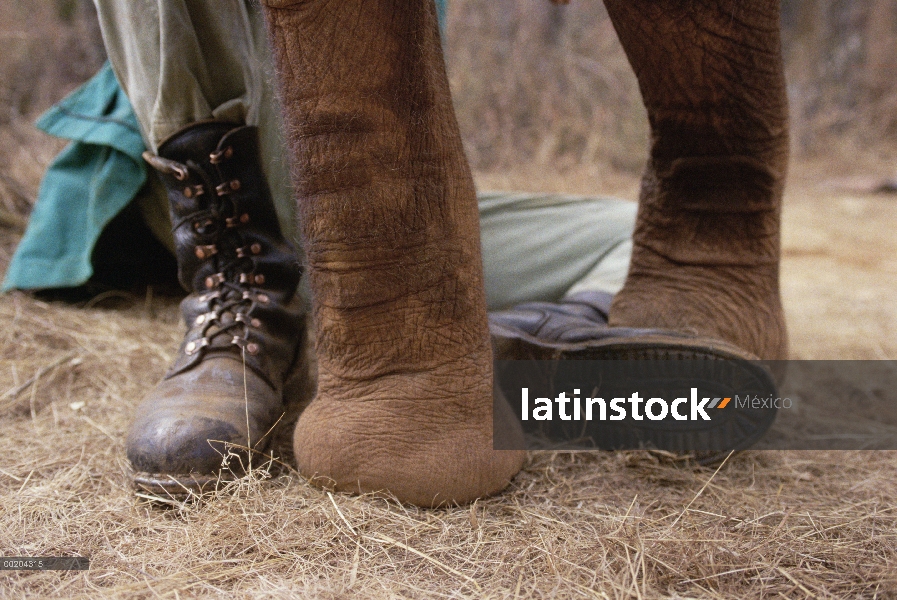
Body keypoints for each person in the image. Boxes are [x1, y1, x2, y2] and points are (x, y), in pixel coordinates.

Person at [3, 0, 769, 499]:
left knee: (622, 232)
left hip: (388, 198)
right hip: (236, 197)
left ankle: (536, 339)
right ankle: (249, 295)